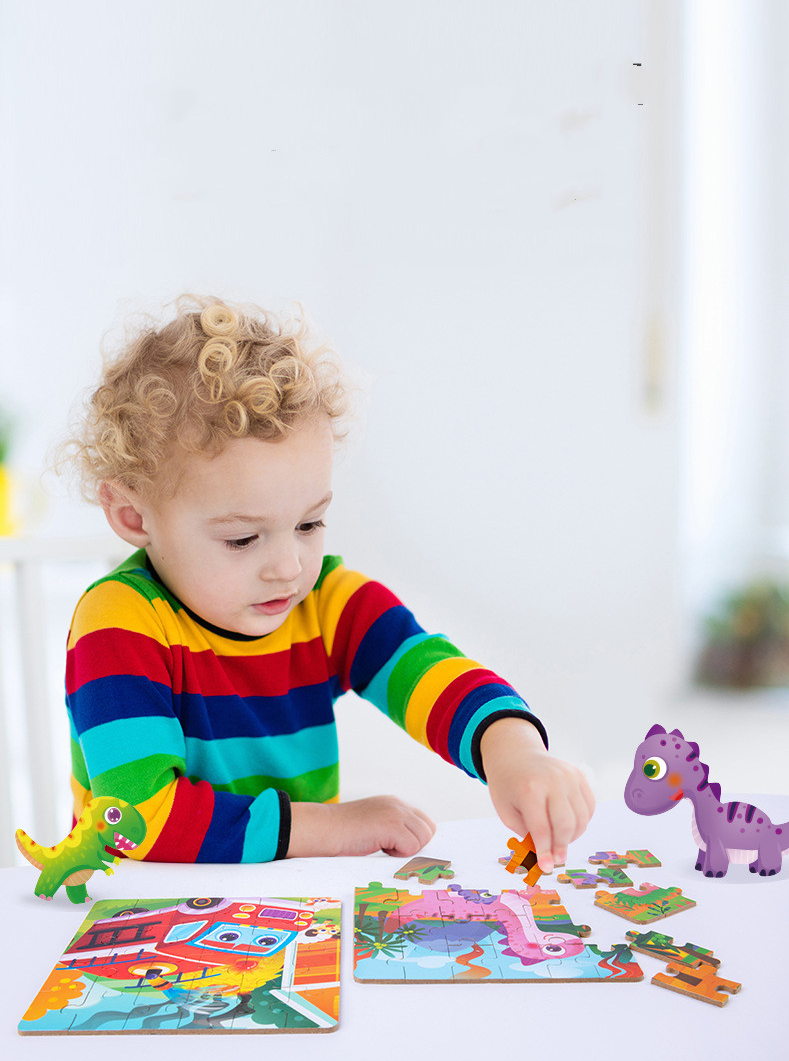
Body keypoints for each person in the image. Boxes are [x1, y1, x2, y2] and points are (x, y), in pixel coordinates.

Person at [62, 295, 594, 869]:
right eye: (243, 538)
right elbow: (136, 822)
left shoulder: (324, 602)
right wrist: (340, 826)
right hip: (143, 924)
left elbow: (428, 668)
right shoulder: (117, 622)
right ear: (135, 517)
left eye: (309, 523)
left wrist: (512, 751)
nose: (288, 567)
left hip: (287, 912)